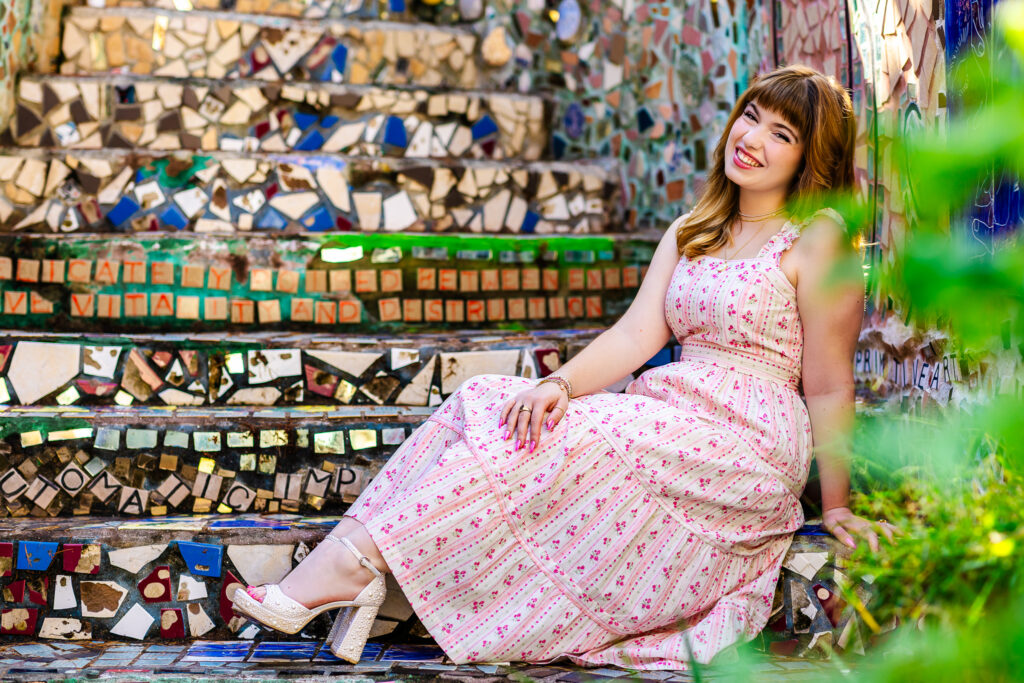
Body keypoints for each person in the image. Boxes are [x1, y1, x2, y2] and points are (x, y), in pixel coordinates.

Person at [232, 64, 896, 669]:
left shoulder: (819, 234)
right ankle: (346, 564)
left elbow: (831, 381)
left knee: (584, 428)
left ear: (811, 158)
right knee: (493, 399)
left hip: (746, 443)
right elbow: (637, 333)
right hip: (671, 415)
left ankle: (345, 571)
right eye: (750, 115)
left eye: (781, 132)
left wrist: (835, 504)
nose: (752, 136)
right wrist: (558, 383)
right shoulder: (693, 229)